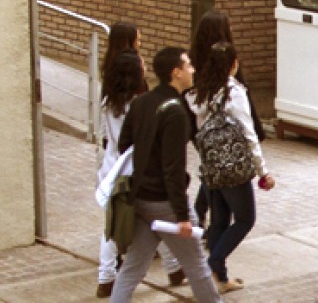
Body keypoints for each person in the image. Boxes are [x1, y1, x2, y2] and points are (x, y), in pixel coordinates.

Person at [110, 47, 221, 303]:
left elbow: (124, 145)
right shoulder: (175, 112)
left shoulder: (141, 102)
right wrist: (182, 216)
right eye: (189, 65)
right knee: (197, 268)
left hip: (139, 199)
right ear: (176, 72)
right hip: (165, 204)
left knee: (132, 268)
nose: (193, 70)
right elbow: (173, 168)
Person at [95, 28, 184, 298]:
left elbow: (104, 138)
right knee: (160, 218)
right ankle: (174, 266)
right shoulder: (141, 104)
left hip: (111, 168)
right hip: (138, 170)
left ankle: (106, 277)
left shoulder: (108, 103)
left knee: (114, 224)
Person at [188, 42, 275, 295]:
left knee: (218, 222)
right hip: (234, 168)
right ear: (233, 64)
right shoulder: (234, 93)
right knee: (246, 219)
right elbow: (248, 134)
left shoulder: (202, 93)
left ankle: (218, 279)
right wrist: (263, 171)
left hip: (211, 167)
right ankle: (215, 261)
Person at [189, 11, 264, 228]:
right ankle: (201, 215)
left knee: (210, 168)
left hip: (201, 128)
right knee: (215, 172)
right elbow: (241, 98)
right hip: (226, 130)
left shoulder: (193, 61)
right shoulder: (226, 60)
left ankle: (201, 215)